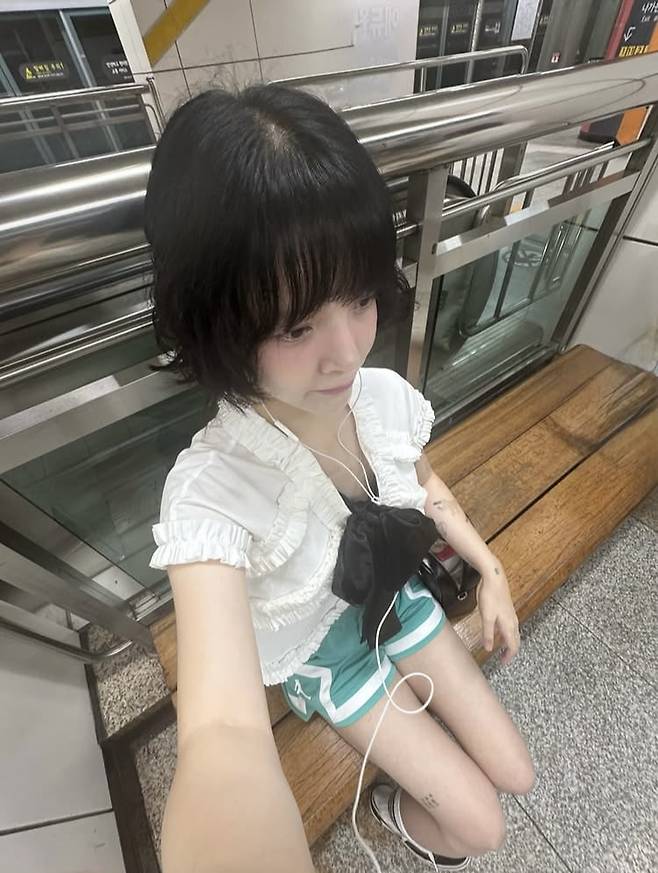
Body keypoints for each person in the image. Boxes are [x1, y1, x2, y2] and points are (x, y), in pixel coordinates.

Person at [144, 83, 536, 873]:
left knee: (517, 773)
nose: (348, 352)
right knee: (481, 827)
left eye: (359, 298)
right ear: (217, 319)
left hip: (398, 594)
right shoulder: (214, 491)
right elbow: (221, 732)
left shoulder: (379, 396)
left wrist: (491, 569)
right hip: (328, 653)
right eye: (297, 326)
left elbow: (429, 488)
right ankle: (394, 809)